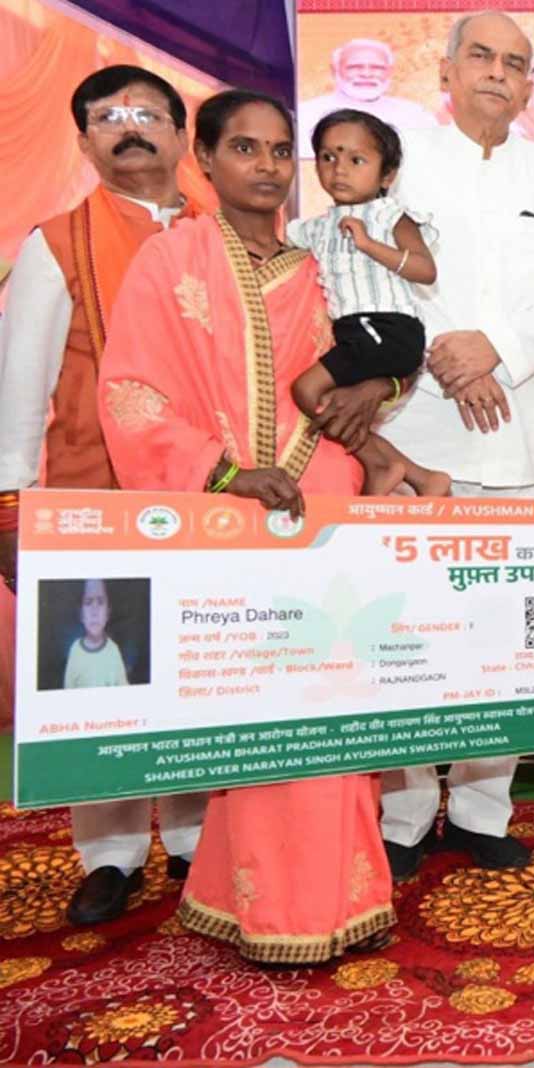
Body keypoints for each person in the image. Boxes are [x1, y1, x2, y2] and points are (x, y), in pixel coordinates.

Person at [98, 89, 396, 964]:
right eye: (244, 149)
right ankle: (265, 905)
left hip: (328, 517)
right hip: (226, 520)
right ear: (204, 157)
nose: (266, 166)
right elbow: (131, 394)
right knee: (260, 720)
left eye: (277, 150)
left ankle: (349, 897)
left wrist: (377, 389)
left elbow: (365, 366)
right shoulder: (171, 260)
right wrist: (228, 475)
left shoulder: (317, 264)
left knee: (338, 710)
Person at [377, 10, 534, 880]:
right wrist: (449, 354)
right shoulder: (394, 162)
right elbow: (360, 270)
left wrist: (495, 351)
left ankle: (481, 812)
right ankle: (401, 818)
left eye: (516, 63)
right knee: (406, 634)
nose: (499, 74)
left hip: (512, 434)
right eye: (482, 57)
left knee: (501, 637)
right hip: (412, 433)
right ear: (446, 70)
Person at [0, 64, 207, 927]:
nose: (130, 128)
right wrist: (11, 503)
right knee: (103, 684)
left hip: (207, 501)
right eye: (108, 116)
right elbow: (21, 383)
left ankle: (197, 837)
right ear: (84, 140)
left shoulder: (221, 232)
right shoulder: (57, 242)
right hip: (97, 497)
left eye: (148, 114)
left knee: (200, 672)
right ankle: (111, 854)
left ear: (181, 136)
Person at [288, 109, 448, 496]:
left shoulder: (389, 216)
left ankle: (384, 465)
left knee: (306, 391)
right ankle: (413, 474)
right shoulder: (314, 227)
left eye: (356, 160)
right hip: (354, 333)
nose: (339, 169)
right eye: (328, 157)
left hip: (387, 329)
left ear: (387, 175)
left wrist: (368, 244)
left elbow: (426, 270)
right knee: (329, 402)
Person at [297, 38, 435, 157]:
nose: (366, 74)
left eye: (377, 68)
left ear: (390, 71)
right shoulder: (305, 115)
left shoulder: (416, 115)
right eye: (355, 67)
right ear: (335, 70)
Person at [63, 579, 128, 689]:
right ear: (81, 614)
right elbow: (67, 688)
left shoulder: (113, 651)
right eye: (88, 602)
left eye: (101, 602)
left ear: (108, 613)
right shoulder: (75, 650)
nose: (94, 611)